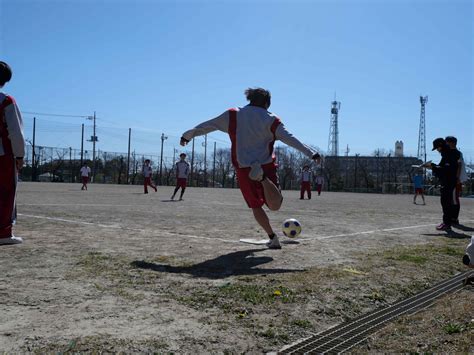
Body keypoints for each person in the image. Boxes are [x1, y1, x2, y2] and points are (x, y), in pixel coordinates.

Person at [180, 87, 320, 249]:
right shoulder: (272, 119)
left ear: (250, 100)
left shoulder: (233, 114)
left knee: (255, 205)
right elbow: (290, 138)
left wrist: (188, 135)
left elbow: (209, 125)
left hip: (243, 167)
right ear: (267, 103)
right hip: (265, 165)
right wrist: (312, 153)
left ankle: (272, 237)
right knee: (275, 206)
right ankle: (263, 179)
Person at [0, 61, 25, 245]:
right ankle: (4, 233)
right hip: (3, 155)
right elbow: (15, 132)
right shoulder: (7, 101)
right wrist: (20, 155)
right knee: (7, 192)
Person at [423, 138, 460, 232]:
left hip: (449, 181)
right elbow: (441, 167)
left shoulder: (449, 154)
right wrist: (432, 166)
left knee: (446, 202)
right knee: (445, 202)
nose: (437, 150)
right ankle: (446, 222)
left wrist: (433, 167)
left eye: (437, 148)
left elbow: (446, 170)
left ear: (441, 146)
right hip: (447, 181)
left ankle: (447, 223)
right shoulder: (447, 154)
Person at [445, 136, 467, 225]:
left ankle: (454, 218)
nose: (446, 144)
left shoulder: (457, 153)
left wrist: (457, 178)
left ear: (452, 143)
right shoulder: (449, 153)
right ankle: (451, 217)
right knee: (450, 199)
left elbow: (459, 166)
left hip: (455, 180)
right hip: (450, 180)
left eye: (447, 142)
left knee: (454, 199)